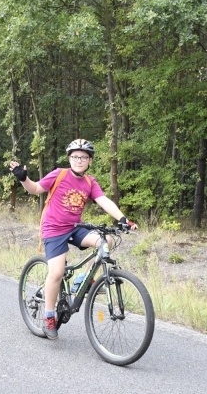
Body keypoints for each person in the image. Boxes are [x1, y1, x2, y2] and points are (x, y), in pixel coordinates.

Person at [9, 139, 137, 339]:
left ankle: (81, 281)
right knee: (57, 272)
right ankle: (49, 316)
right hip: (53, 228)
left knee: (107, 241)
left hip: (75, 227)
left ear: (90, 161)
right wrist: (23, 178)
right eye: (75, 156)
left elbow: (103, 200)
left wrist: (122, 219)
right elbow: (35, 189)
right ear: (69, 158)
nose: (79, 160)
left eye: (84, 157)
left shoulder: (89, 182)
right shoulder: (59, 174)